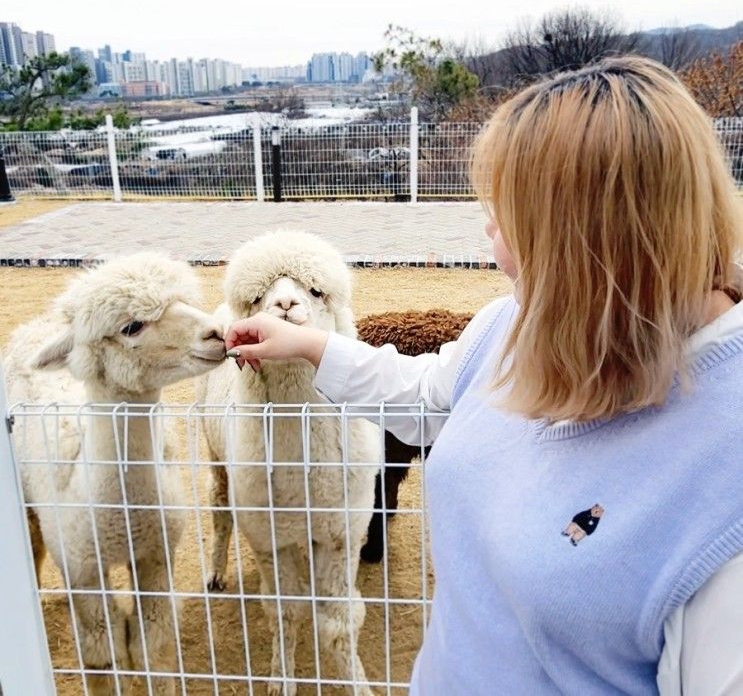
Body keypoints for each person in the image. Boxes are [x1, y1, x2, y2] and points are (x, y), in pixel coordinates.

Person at [223, 57, 743, 695]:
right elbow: (430, 395)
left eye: (508, 214)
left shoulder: (724, 488)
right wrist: (309, 344)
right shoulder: (515, 326)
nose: (487, 230)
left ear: (588, 236)